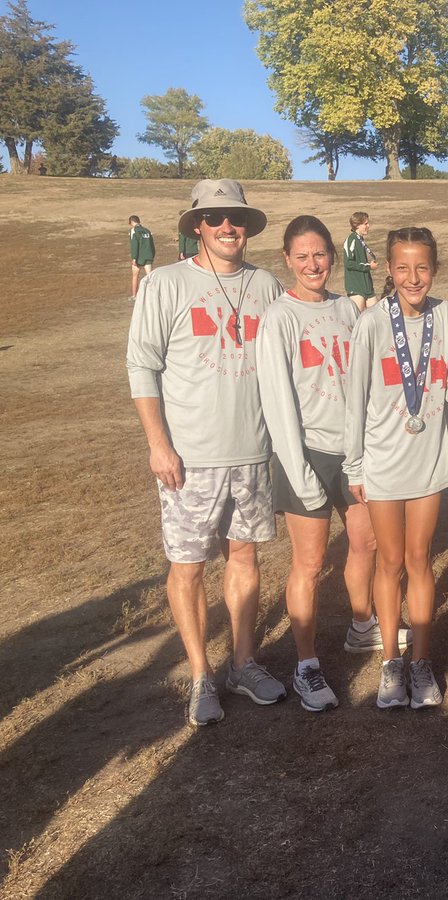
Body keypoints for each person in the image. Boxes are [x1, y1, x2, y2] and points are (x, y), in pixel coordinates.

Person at [126, 179, 286, 726]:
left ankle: (243, 663)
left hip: (252, 454)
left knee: (244, 558)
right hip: (189, 459)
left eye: (236, 217)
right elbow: (141, 366)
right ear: (197, 226)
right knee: (188, 566)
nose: (227, 226)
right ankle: (201, 676)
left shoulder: (265, 285)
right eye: (214, 217)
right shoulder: (165, 284)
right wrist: (158, 445)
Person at [257, 215, 396, 713]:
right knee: (311, 562)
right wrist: (298, 471)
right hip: (307, 454)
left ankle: (362, 626)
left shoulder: (346, 309)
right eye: (302, 256)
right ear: (287, 260)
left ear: (333, 258)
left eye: (320, 254)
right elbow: (277, 401)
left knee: (366, 542)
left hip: (352, 451)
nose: (312, 264)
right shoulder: (279, 317)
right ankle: (306, 665)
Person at [343, 226, 448, 711]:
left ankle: (420, 662)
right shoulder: (373, 323)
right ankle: (390, 663)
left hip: (429, 462)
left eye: (422, 268)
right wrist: (355, 466)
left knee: (420, 560)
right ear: (389, 270)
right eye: (402, 268)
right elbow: (355, 400)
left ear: (434, 269)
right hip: (383, 463)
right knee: (389, 562)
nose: (413, 278)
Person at [343, 211, 378, 312]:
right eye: (365, 224)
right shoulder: (351, 240)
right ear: (357, 225)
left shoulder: (360, 239)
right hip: (356, 287)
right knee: (357, 318)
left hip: (367, 286)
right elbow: (348, 263)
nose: (368, 226)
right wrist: (369, 266)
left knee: (376, 315)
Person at [129, 215, 155, 300]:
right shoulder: (147, 231)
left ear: (132, 222)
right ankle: (152, 296)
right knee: (150, 277)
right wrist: (152, 255)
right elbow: (152, 245)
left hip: (139, 257)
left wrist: (134, 258)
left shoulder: (134, 231)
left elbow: (134, 245)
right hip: (148, 256)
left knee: (135, 276)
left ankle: (134, 295)